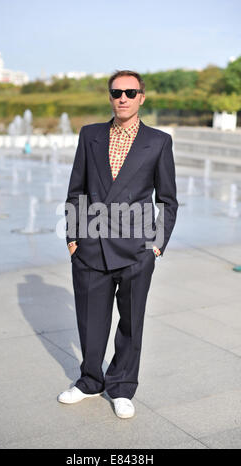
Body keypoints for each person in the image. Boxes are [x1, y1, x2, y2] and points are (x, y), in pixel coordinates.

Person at [58, 70, 178, 419]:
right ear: (109, 97)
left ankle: (122, 387)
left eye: (130, 92)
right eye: (116, 92)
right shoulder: (91, 134)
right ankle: (89, 381)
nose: (122, 98)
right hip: (91, 248)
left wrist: (155, 246)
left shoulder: (158, 141)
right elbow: (76, 190)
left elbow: (167, 200)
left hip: (136, 251)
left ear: (142, 97)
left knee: (131, 322)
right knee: (91, 321)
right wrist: (73, 239)